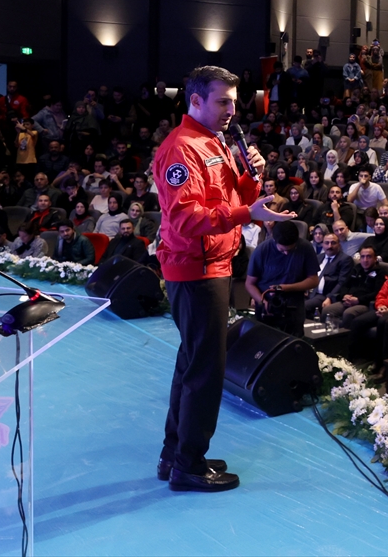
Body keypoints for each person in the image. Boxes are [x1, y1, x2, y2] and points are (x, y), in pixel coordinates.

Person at [153, 66, 292, 492]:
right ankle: (189, 466)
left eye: (234, 101)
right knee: (205, 372)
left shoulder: (216, 141)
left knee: (191, 365)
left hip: (209, 266)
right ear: (195, 100)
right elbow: (184, 217)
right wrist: (245, 214)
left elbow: (241, 200)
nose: (233, 109)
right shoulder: (182, 149)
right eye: (223, 101)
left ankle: (175, 456)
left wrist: (253, 176)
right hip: (195, 272)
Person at [245, 220, 319, 338]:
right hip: (267, 305)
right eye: (282, 250)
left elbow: (314, 280)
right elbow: (250, 283)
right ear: (275, 240)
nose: (285, 253)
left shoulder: (305, 248)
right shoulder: (262, 250)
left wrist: (286, 288)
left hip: (294, 306)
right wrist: (263, 302)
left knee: (293, 343)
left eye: (290, 250)